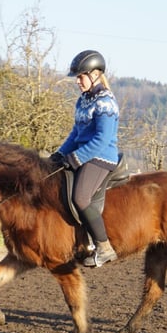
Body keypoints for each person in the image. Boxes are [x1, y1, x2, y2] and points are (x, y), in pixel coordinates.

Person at [51, 50, 120, 267]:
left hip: (101, 157)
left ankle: (104, 247)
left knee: (80, 197)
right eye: (77, 77)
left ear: (96, 75)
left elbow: (101, 139)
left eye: (81, 76)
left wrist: (76, 158)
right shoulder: (83, 101)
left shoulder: (105, 101)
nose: (78, 82)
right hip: (83, 154)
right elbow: (76, 134)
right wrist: (60, 154)